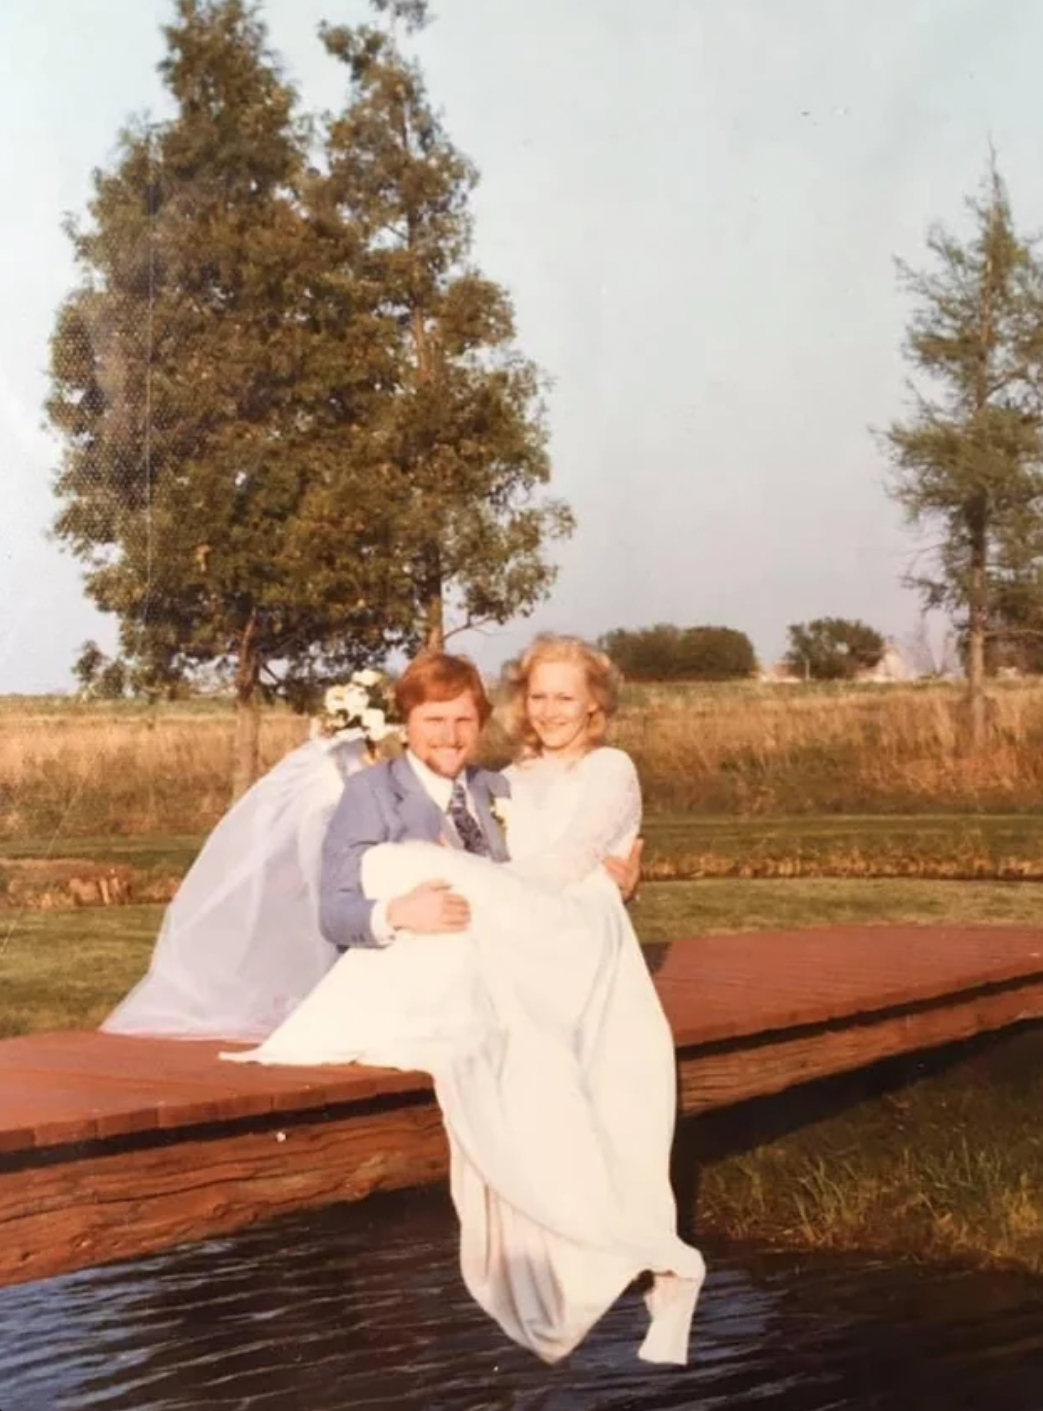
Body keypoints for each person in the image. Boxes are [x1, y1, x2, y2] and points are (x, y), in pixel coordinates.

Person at [226, 637, 706, 1367]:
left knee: (521, 1045)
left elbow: (566, 860)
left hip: (541, 945)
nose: (547, 710)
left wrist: (615, 882)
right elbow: (336, 909)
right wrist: (396, 914)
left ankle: (610, 1241)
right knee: (416, 904)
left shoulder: (507, 784)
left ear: (594, 705)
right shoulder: (389, 788)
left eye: (564, 697)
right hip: (451, 956)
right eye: (538, 696)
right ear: (407, 722)